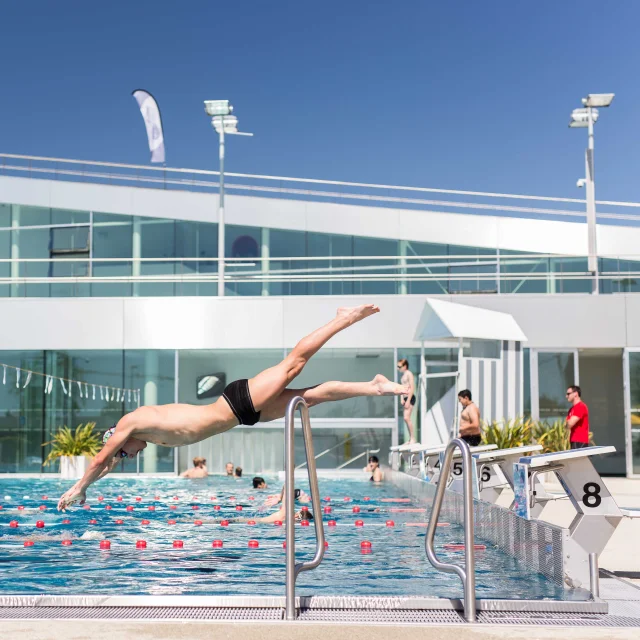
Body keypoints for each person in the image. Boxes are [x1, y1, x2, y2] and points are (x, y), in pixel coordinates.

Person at [57, 304, 409, 510]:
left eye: (127, 454)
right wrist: (89, 485)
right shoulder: (143, 434)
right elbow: (108, 465)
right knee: (309, 397)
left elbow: (102, 459)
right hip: (243, 416)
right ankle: (374, 386)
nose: (130, 456)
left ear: (117, 437)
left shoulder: (132, 422)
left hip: (235, 401)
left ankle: (342, 319)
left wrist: (78, 487)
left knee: (293, 364)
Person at [397, 358, 416, 444]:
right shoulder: (403, 376)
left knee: (406, 417)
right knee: (406, 419)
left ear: (405, 366)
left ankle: (412, 438)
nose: (398, 368)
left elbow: (412, 387)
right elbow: (402, 388)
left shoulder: (409, 374)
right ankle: (410, 438)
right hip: (405, 398)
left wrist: (408, 400)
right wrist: (401, 398)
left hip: (410, 397)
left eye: (399, 366)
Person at [565, 385, 590, 449]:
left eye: (568, 394)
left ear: (575, 394)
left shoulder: (581, 406)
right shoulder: (571, 409)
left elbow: (569, 424)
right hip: (573, 440)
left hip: (580, 441)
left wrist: (568, 422)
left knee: (580, 459)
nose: (566, 396)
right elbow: (566, 426)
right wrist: (568, 423)